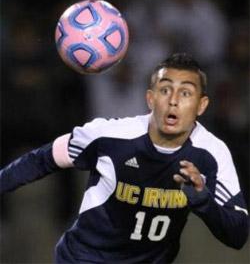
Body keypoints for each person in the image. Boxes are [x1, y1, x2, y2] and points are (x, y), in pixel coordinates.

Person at [1, 53, 249, 263]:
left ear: (201, 105)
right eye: (165, 90)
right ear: (150, 99)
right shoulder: (107, 136)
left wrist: (204, 202)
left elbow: (238, 235)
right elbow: (40, 159)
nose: (173, 101)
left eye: (185, 93)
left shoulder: (212, 154)